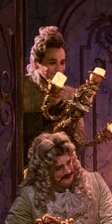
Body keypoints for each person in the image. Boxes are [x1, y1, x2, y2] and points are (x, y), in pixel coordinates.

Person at [22, 26, 73, 156]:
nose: (59, 69)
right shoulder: (21, 89)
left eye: (62, 62)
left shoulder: (70, 95)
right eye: (52, 62)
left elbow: (76, 145)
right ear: (36, 64)